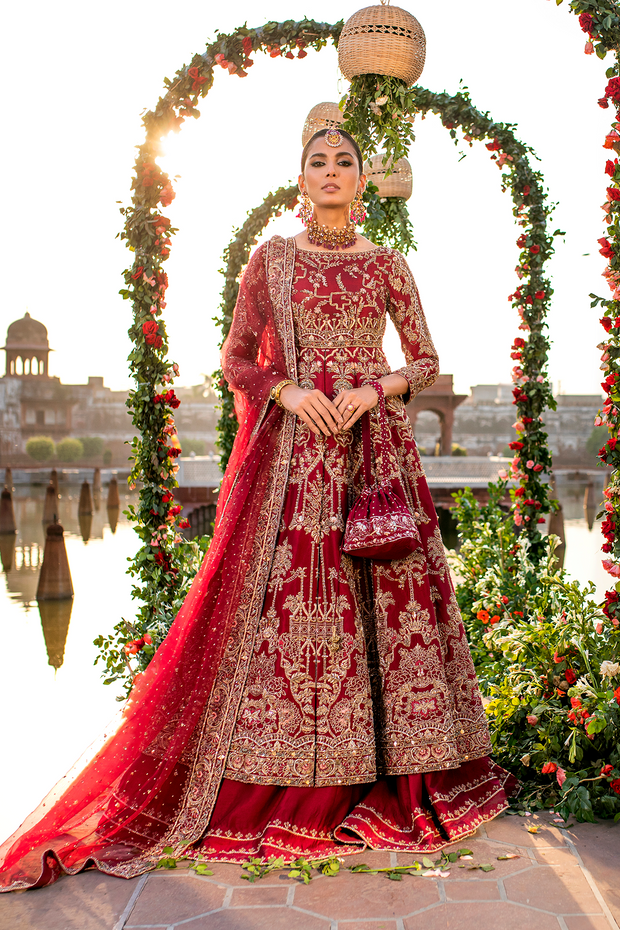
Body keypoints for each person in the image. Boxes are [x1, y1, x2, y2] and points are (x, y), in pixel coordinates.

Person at [0, 128, 516, 891]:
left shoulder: (385, 263)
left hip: (373, 455)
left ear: (363, 180)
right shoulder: (270, 261)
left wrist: (374, 390)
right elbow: (236, 357)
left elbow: (425, 357)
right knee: (294, 611)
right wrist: (290, 390)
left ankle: (400, 774)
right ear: (300, 178)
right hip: (295, 462)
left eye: (346, 163)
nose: (333, 173)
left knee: (387, 603)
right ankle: (286, 778)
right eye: (319, 162)